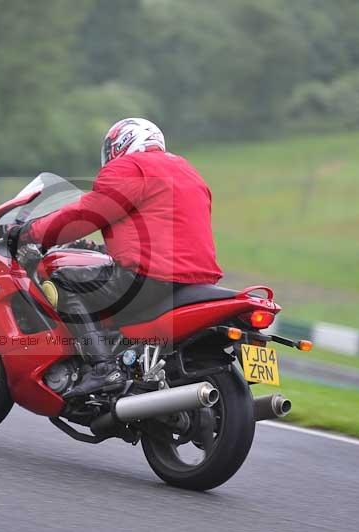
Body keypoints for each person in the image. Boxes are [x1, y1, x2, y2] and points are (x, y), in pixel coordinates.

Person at [12, 118, 223, 397]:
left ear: (122, 143)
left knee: (62, 280)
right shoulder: (187, 170)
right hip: (198, 280)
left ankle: (102, 368)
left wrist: (31, 233)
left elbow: (87, 214)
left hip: (151, 276)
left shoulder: (130, 167)